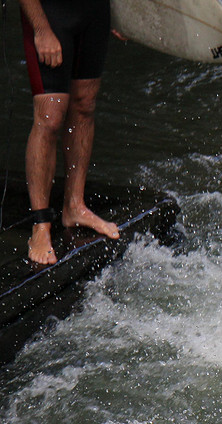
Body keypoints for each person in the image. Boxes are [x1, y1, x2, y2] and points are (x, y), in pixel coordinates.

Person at [19, 0, 120, 266]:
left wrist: (125, 16)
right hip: (50, 15)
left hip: (94, 12)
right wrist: (41, 29)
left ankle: (74, 206)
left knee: (85, 104)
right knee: (49, 117)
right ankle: (41, 226)